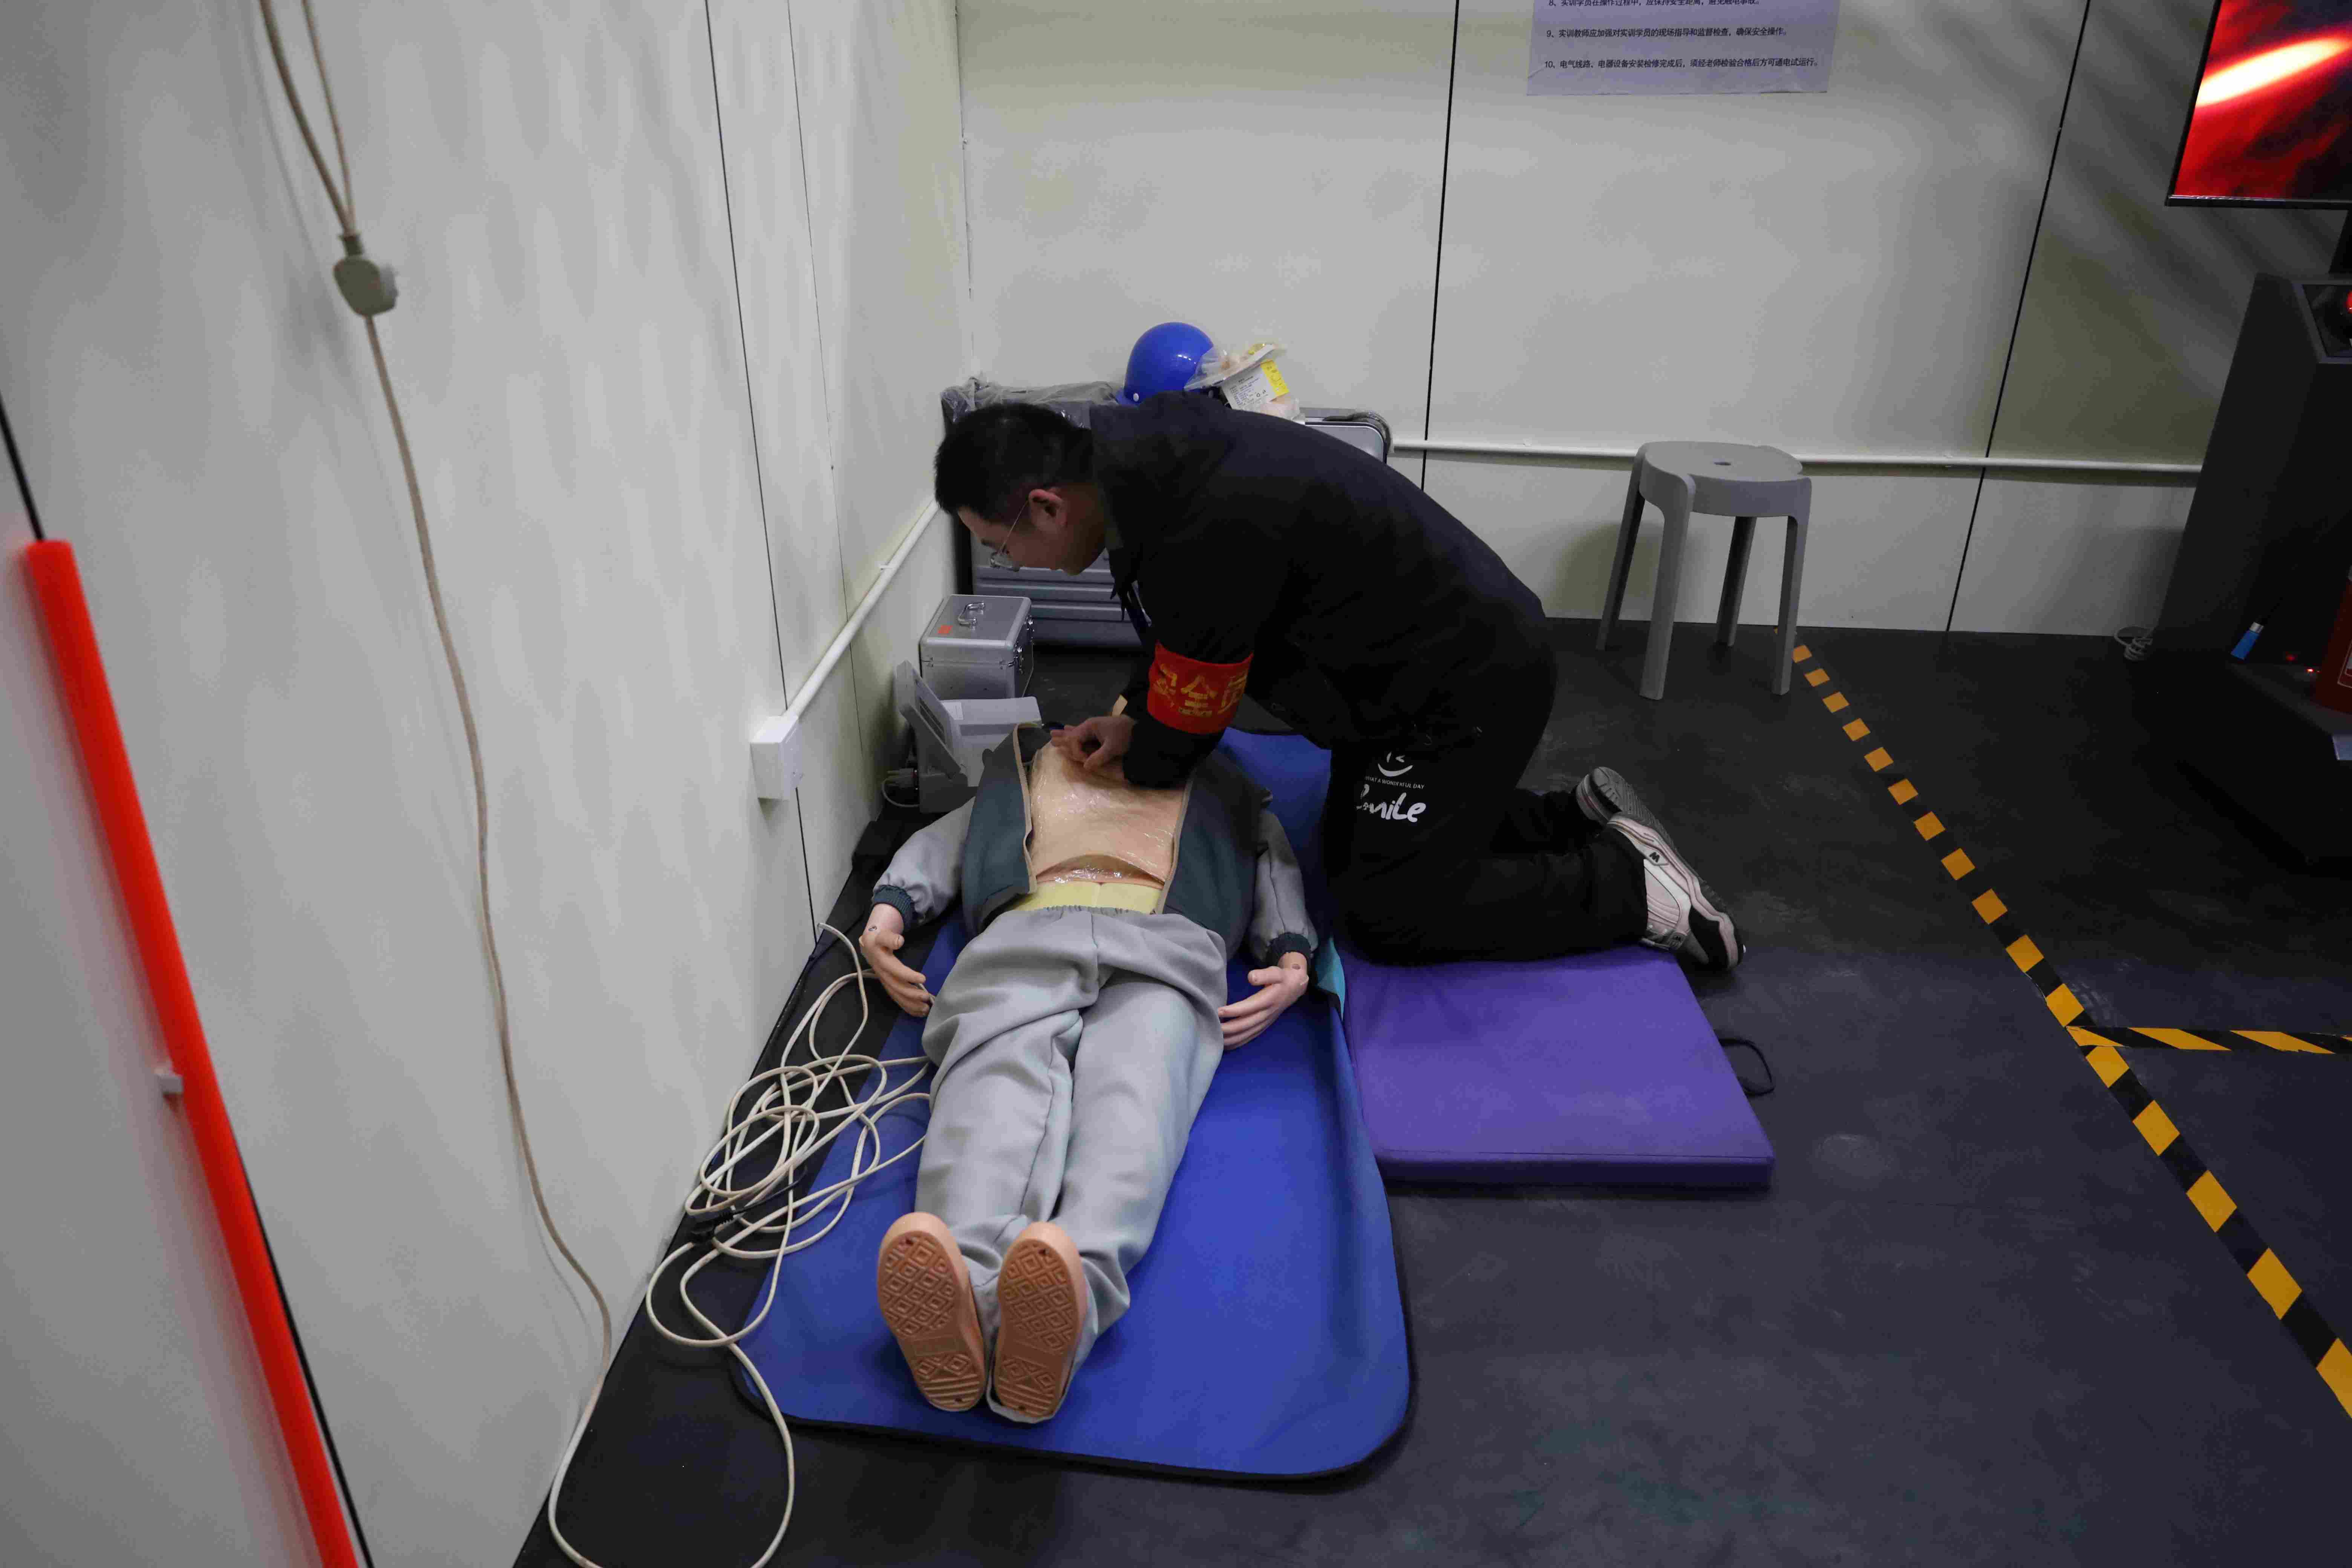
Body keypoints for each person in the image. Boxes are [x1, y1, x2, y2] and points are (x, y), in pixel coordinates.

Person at [930, 391, 1742, 971]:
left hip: (1463, 689)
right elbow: (1187, 629)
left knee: (1391, 914)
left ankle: (1631, 887)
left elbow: (1187, 724)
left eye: (1001, 545)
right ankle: (1571, 820)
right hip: (1405, 678)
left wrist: (1145, 752)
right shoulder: (1147, 463)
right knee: (1347, 853)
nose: (1013, 564)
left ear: (1047, 506)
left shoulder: (1203, 521)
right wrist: (1140, 716)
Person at [857, 722, 1316, 1423]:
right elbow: (946, 841)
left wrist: (1291, 956)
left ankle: (1067, 1302)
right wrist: (889, 911)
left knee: (1135, 1100)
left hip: (1167, 941)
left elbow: (1273, 864)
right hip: (1027, 930)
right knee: (992, 1086)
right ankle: (966, 1292)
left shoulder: (1226, 784)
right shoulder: (1022, 765)